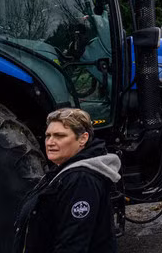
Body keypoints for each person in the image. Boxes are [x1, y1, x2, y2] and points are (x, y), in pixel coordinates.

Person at [13, 108, 121, 253]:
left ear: (83, 138)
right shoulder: (60, 172)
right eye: (48, 136)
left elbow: (73, 243)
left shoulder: (82, 180)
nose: (50, 142)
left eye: (59, 136)